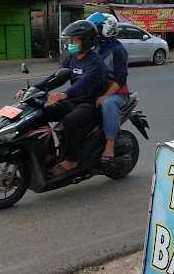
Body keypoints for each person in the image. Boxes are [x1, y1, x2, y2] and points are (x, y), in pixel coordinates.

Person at [36, 20, 107, 176]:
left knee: (69, 121)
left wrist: (64, 94)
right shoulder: (72, 58)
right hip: (73, 101)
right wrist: (36, 88)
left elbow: (84, 83)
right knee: (40, 113)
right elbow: (58, 77)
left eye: (73, 40)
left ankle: (71, 160)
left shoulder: (95, 62)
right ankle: (49, 155)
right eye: (68, 41)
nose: (69, 44)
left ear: (86, 41)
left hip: (90, 103)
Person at [87, 12, 129, 163]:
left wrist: (105, 96)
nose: (92, 33)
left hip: (117, 94)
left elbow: (121, 79)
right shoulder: (95, 48)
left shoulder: (118, 50)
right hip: (96, 91)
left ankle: (110, 143)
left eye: (95, 29)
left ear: (106, 29)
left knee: (108, 104)